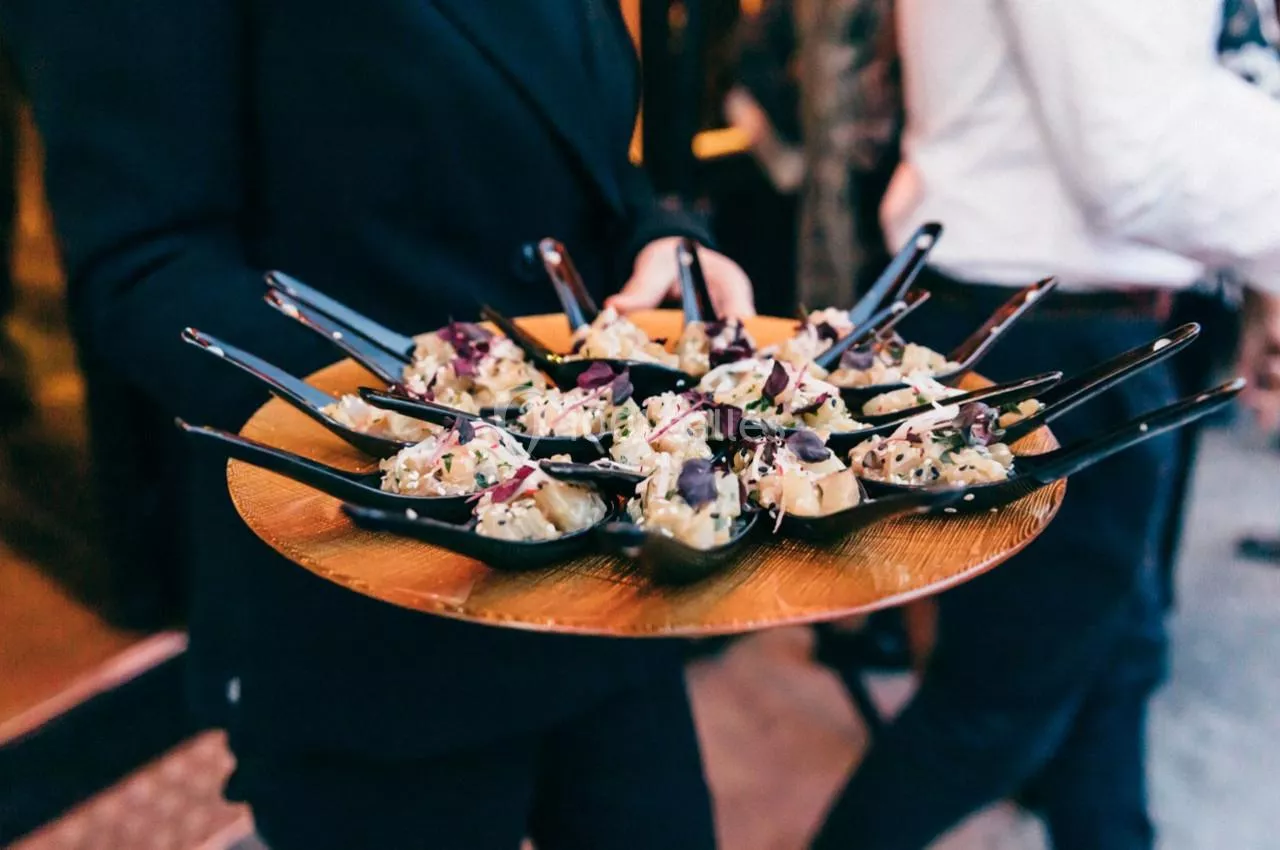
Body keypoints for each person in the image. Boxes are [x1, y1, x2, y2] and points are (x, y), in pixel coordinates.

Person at [0, 2, 754, 847]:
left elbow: (569, 158)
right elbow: (146, 259)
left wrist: (660, 236)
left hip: (608, 581)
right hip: (370, 620)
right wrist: (437, 404)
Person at [812, 1, 1280, 848]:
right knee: (998, 704)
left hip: (1069, 322)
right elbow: (1139, 158)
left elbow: (1167, 98)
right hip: (1044, 336)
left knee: (1116, 656)